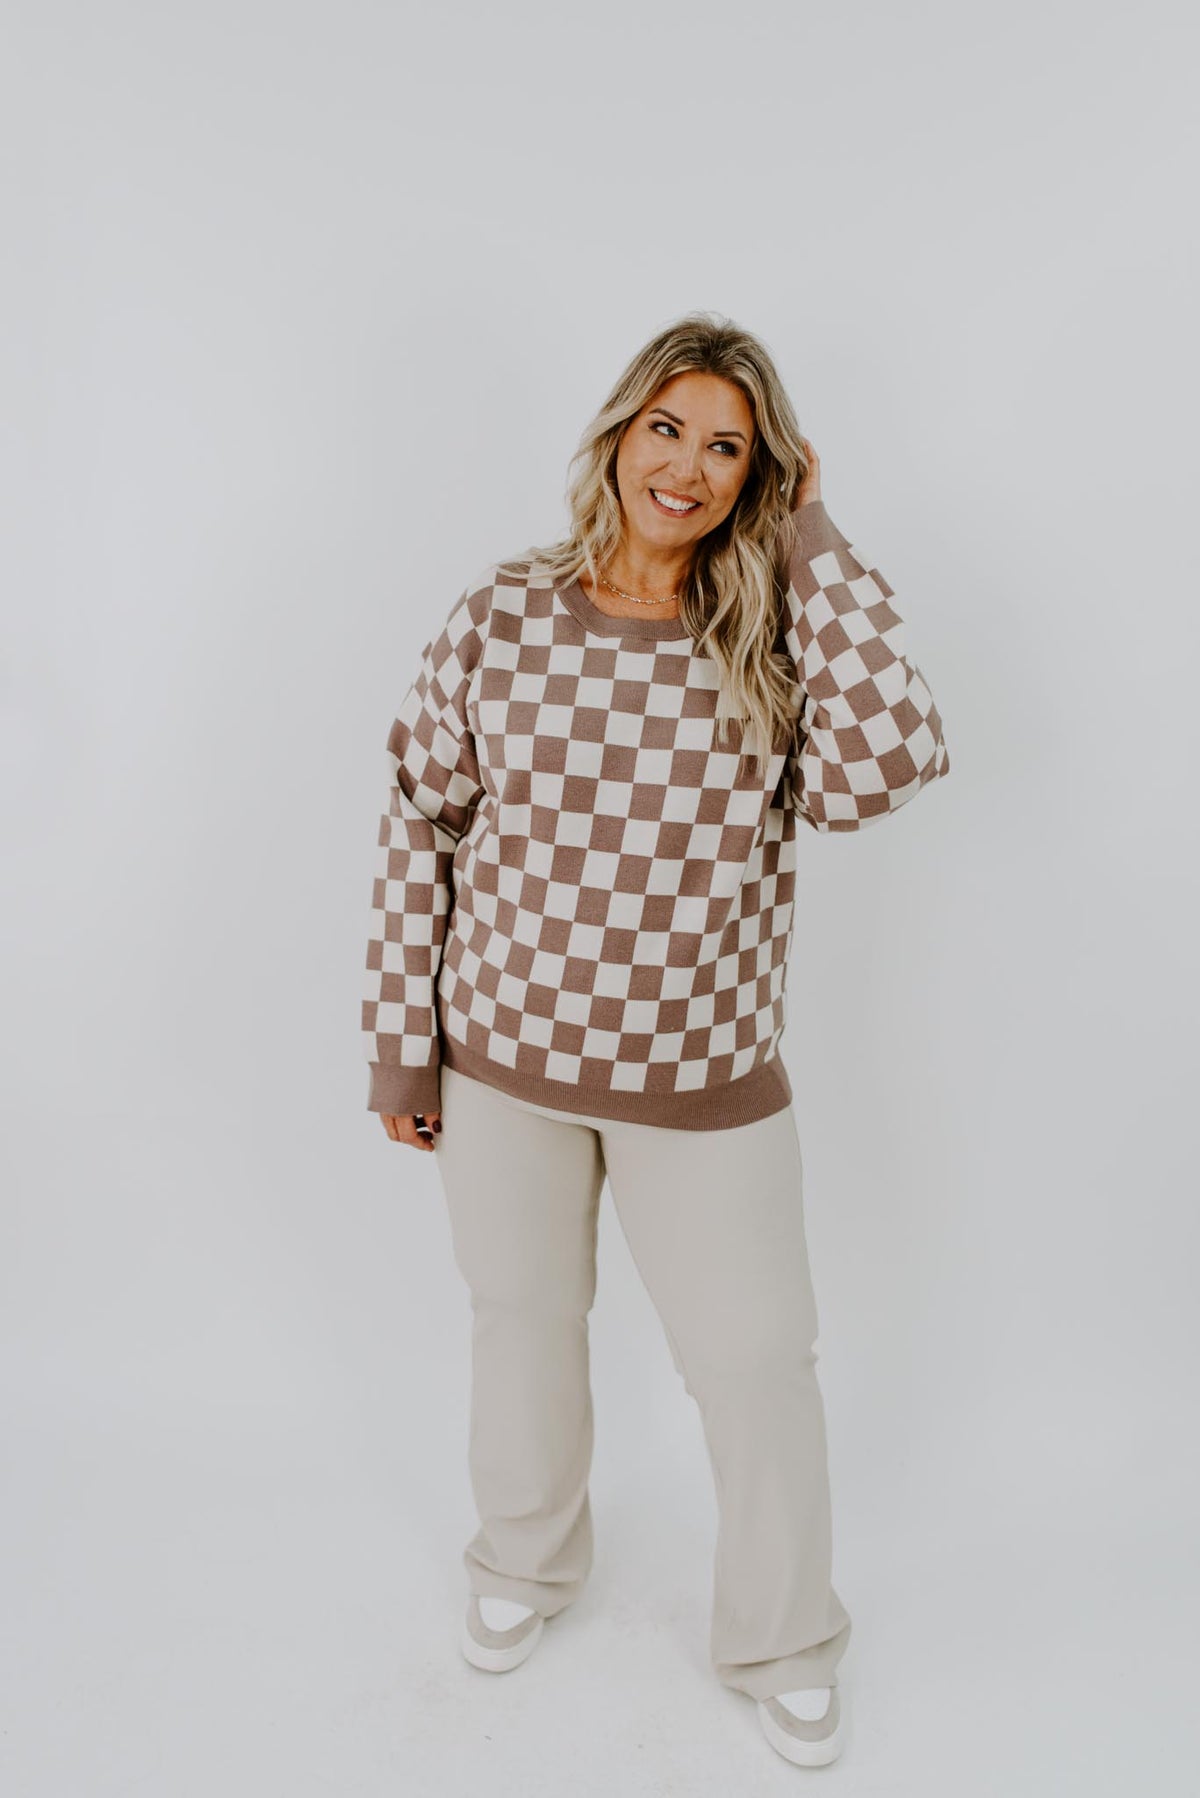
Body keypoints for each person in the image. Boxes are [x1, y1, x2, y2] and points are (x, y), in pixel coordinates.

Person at [361, 310, 950, 1768]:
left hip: (702, 1083)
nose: (685, 467)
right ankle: (522, 1557)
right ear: (621, 434)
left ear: (762, 475)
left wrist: (812, 538)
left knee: (756, 1361)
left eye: (728, 449)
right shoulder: (503, 615)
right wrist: (402, 1041)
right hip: (502, 1066)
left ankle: (785, 1634)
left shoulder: (772, 634)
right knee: (520, 1323)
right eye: (666, 429)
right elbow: (421, 820)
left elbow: (890, 766)